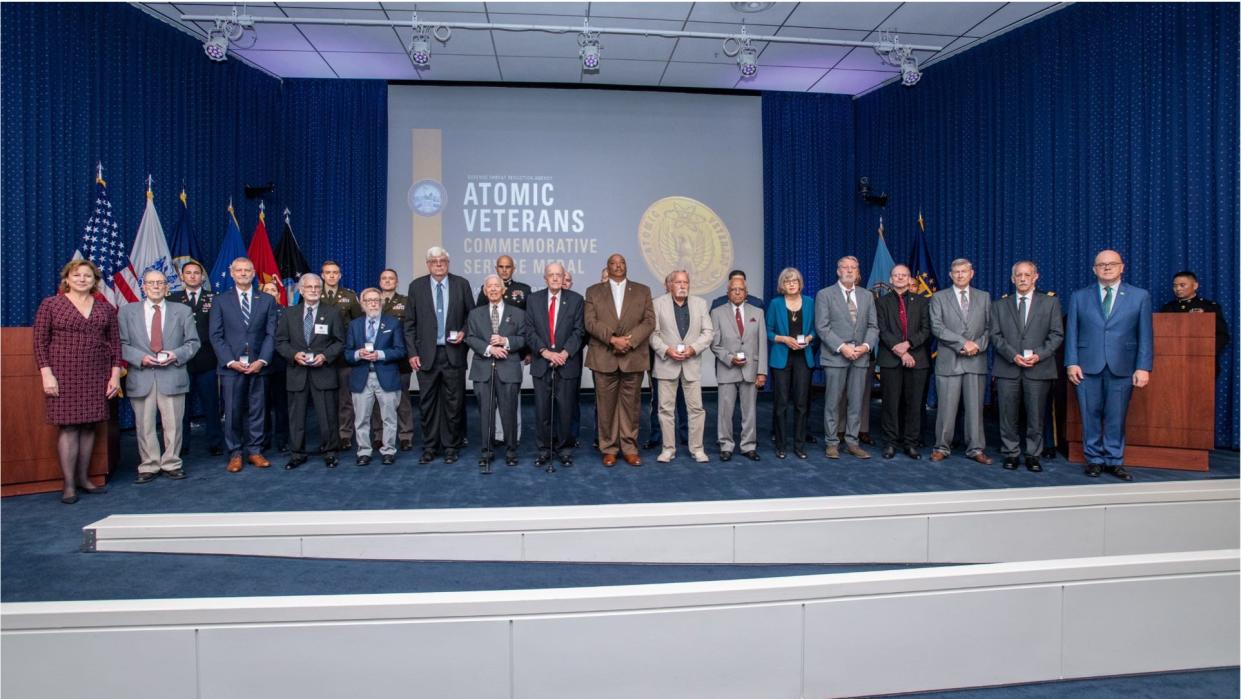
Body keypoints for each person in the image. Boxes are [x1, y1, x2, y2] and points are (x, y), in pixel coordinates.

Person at [34, 260, 122, 503]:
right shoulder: (51, 305)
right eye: (77, 275)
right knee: (69, 426)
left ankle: (84, 478)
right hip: (63, 373)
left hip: (96, 374)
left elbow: (115, 344)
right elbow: (40, 343)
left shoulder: (105, 309)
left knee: (89, 425)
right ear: (67, 279)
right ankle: (69, 484)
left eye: (88, 276)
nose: (82, 279)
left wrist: (114, 375)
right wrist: (46, 373)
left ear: (95, 281)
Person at [1066, 250, 1153, 481]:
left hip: (1123, 367)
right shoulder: (1079, 296)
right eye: (1101, 264)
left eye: (1112, 264)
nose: (1107, 267)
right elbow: (1072, 332)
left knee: (1117, 416)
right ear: (1094, 269)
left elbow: (1146, 335)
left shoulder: (1139, 296)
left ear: (1122, 267)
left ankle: (1114, 460)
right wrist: (1071, 362)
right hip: (1086, 366)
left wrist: (1143, 367)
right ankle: (1093, 459)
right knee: (1089, 414)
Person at [119, 269, 200, 483]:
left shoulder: (182, 311)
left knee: (173, 424)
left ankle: (172, 462)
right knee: (144, 425)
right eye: (151, 283)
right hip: (142, 375)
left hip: (172, 374)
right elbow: (121, 344)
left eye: (160, 283)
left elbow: (193, 343)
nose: (156, 286)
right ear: (143, 287)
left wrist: (176, 354)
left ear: (167, 287)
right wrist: (140, 358)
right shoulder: (127, 312)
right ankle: (149, 464)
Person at [989, 261, 1064, 472]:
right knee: (1007, 415)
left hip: (1038, 368)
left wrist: (1039, 355)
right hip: (1008, 368)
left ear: (1035, 277)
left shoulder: (1050, 303)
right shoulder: (999, 305)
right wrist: (1012, 356)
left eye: (1027, 275)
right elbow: (994, 335)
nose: (1022, 278)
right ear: (1012, 279)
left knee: (1036, 415)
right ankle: (1011, 453)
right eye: (1018, 275)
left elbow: (1057, 334)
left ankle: (1033, 455)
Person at [404, 246, 476, 464]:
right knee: (427, 403)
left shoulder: (461, 284)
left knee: (453, 404)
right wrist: (412, 353)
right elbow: (409, 324)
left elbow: (471, 316)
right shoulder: (416, 286)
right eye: (434, 261)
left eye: (442, 261)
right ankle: (430, 446)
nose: (438, 264)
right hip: (425, 356)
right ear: (428, 265)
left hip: (453, 354)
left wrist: (464, 332)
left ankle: (451, 446)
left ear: (448, 263)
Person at [583, 253, 655, 467]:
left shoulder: (642, 290)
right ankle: (609, 449)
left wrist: (629, 341)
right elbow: (590, 322)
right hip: (604, 356)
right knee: (605, 407)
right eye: (613, 263)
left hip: (632, 356)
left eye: (621, 262)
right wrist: (613, 340)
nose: (618, 266)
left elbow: (649, 321)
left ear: (626, 266)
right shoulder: (594, 291)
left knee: (631, 406)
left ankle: (630, 448)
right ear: (608, 267)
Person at [208, 257, 278, 473]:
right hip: (231, 367)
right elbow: (216, 335)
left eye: (247, 270)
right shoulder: (220, 300)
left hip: (259, 365)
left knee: (258, 410)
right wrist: (230, 361)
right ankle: (235, 453)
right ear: (232, 273)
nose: (243, 273)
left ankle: (255, 451)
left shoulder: (266, 300)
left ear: (253, 272)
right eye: (239, 270)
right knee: (232, 411)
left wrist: (262, 360)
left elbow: (271, 334)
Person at [275, 273, 346, 469]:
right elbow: (280, 342)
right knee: (296, 417)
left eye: (317, 287)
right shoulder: (289, 313)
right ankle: (297, 453)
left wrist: (324, 356)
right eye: (309, 287)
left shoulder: (332, 313)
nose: (314, 290)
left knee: (328, 416)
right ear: (301, 290)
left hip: (323, 373)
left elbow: (340, 342)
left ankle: (330, 452)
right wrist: (294, 355)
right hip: (297, 373)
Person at [928, 258, 993, 465]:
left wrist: (978, 345)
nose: (960, 275)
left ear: (971, 273)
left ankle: (975, 448)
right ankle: (941, 447)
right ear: (950, 275)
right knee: (946, 409)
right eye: (955, 271)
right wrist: (963, 343)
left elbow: (990, 329)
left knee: (975, 409)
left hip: (976, 360)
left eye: (964, 271)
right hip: (949, 361)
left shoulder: (984, 297)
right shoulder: (939, 297)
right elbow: (937, 327)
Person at [816, 255, 878, 459]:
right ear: (838, 271)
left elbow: (873, 326)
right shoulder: (825, 295)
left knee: (856, 402)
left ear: (858, 272)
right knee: (833, 402)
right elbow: (822, 327)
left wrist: (866, 346)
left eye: (854, 267)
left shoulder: (867, 295)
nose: (850, 271)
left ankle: (852, 441)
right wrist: (842, 347)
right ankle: (832, 442)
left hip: (860, 357)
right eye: (845, 267)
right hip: (836, 357)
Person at [524, 262, 585, 467]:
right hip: (542, 362)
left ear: (563, 276)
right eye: (551, 275)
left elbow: (579, 331)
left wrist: (564, 353)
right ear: (545, 278)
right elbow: (529, 331)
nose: (556, 278)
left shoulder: (576, 300)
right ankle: (544, 449)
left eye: (559, 275)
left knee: (566, 409)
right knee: (542, 410)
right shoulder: (533, 300)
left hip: (567, 364)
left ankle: (565, 450)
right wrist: (546, 352)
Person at [650, 270, 714, 463]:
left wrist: (693, 349)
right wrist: (666, 350)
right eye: (678, 282)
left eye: (685, 282)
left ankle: (697, 449)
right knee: (665, 409)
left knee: (696, 409)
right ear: (669, 285)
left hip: (691, 363)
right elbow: (652, 334)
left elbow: (708, 332)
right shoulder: (657, 304)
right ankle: (668, 449)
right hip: (666, 363)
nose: (682, 285)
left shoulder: (700, 304)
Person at [468, 274, 527, 472]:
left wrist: (506, 342)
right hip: (483, 369)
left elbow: (524, 339)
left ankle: (511, 452)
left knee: (509, 412)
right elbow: (470, 337)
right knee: (485, 413)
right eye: (489, 287)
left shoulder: (517, 313)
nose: (493, 289)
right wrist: (489, 349)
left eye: (496, 286)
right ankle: (486, 452)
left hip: (509, 369)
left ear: (503, 290)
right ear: (485, 291)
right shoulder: (475, 314)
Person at [875, 264, 931, 460]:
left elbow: (927, 329)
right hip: (891, 359)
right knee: (890, 404)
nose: (899, 278)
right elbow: (881, 329)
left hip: (917, 359)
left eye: (903, 275)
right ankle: (890, 443)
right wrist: (899, 351)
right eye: (895, 275)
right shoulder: (881, 302)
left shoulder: (923, 301)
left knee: (914, 404)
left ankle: (911, 443)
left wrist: (908, 345)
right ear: (891, 279)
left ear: (910, 279)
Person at [346, 287, 406, 465]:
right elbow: (347, 353)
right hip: (361, 377)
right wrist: (359, 354)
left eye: (376, 300)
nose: (373, 303)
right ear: (362, 304)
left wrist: (380, 354)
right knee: (361, 418)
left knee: (389, 417)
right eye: (368, 300)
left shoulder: (393, 323)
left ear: (381, 303)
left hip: (386, 376)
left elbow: (400, 350)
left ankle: (388, 451)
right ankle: (364, 451)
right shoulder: (354, 325)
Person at [475, 255, 531, 445]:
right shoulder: (485, 293)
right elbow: (477, 324)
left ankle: (512, 437)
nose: (505, 269)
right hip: (487, 356)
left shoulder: (524, 290)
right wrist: (489, 347)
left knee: (511, 402)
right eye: (501, 266)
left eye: (508, 266)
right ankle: (496, 436)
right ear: (496, 267)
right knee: (490, 403)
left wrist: (527, 350)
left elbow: (528, 325)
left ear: (513, 268)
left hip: (513, 355)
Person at [710, 275, 767, 461]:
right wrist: (729, 358)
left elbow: (762, 344)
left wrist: (762, 372)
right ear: (727, 293)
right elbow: (714, 345)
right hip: (727, 368)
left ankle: (748, 446)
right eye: (733, 289)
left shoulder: (757, 312)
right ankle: (726, 445)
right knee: (725, 411)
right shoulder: (717, 313)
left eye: (740, 289)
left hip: (751, 369)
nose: (737, 292)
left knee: (749, 411)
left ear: (746, 293)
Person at [169, 259, 223, 456]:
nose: (192, 276)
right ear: (182, 277)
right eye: (188, 273)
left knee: (211, 405)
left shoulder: (215, 298)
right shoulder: (172, 299)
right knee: (181, 408)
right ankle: (182, 444)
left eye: (196, 273)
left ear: (202, 277)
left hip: (207, 360)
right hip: (181, 362)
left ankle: (215, 442)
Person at [766, 267, 816, 460]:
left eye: (794, 280)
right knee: (781, 404)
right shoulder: (775, 304)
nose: (791, 284)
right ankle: (781, 445)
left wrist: (809, 338)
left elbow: (816, 329)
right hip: (781, 358)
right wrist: (784, 339)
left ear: (800, 283)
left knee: (802, 404)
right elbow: (768, 331)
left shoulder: (810, 302)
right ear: (782, 285)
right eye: (787, 281)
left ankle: (800, 445)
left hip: (803, 358)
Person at [321, 260, 362, 450]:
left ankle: (345, 434)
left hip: (344, 354)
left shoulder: (349, 297)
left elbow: (357, 324)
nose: (331, 276)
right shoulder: (313, 294)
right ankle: (328, 434)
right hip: (321, 355)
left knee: (346, 397)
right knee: (325, 397)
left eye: (335, 272)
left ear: (340, 275)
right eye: (328, 272)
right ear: (322, 275)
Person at [376, 269, 415, 450]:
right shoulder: (372, 300)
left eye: (391, 278)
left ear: (397, 282)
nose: (387, 281)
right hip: (376, 359)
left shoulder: (406, 302)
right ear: (380, 281)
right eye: (384, 278)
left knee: (402, 399)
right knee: (377, 400)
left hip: (400, 358)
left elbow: (411, 329)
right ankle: (378, 434)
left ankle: (405, 435)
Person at [1161, 271, 1229, 372]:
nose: (1178, 289)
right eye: (1175, 286)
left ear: (1195, 285)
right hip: (1173, 361)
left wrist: (1205, 350)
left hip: (1203, 362)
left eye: (1182, 285)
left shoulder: (1209, 306)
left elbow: (1222, 335)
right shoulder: (1168, 307)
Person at [259, 279, 289, 453]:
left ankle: (282, 439)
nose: (271, 293)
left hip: (281, 364)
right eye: (267, 290)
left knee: (281, 405)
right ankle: (264, 438)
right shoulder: (256, 312)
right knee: (261, 404)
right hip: (261, 364)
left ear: (278, 295)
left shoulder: (287, 313)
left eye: (274, 290)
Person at [559, 268, 583, 448]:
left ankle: (572, 436)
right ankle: (555, 436)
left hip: (572, 357)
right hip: (549, 357)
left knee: (571, 400)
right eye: (562, 280)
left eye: (567, 281)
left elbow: (581, 332)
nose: (564, 283)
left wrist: (567, 351)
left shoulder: (577, 301)